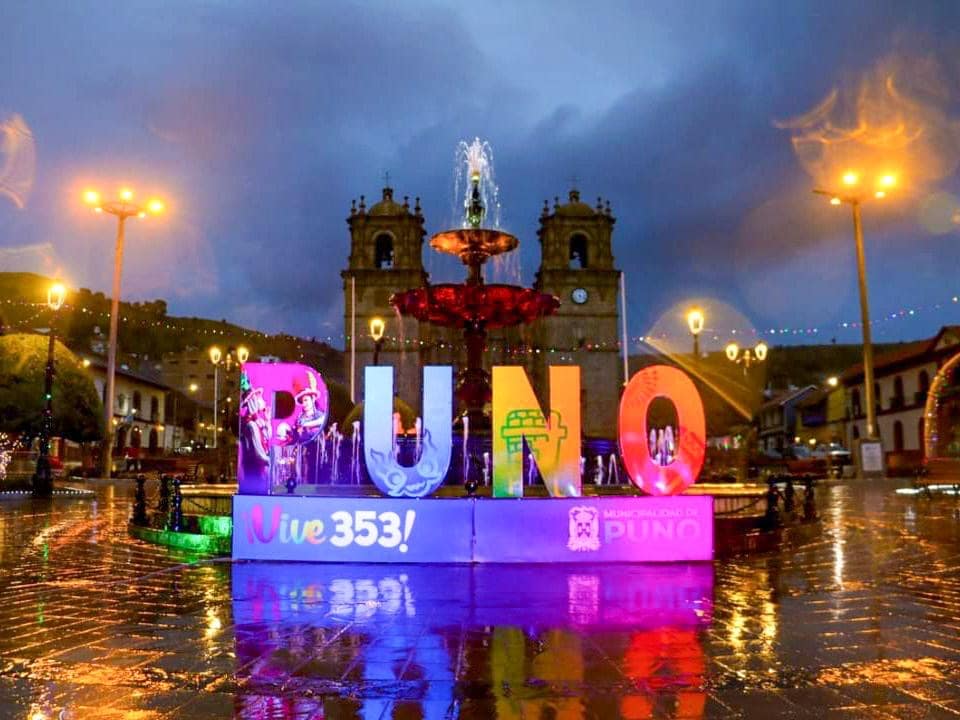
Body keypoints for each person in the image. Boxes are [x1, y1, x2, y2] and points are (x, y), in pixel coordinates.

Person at [292, 369, 329, 485]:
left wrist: (306, 425)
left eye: (306, 400)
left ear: (313, 399)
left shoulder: (320, 415)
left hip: (318, 454)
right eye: (302, 401)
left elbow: (322, 420)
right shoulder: (300, 418)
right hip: (304, 455)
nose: (305, 404)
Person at [239, 385, 272, 493]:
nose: (262, 400)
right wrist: (272, 462)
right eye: (258, 397)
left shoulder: (259, 421)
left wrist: (267, 420)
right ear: (252, 402)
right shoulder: (251, 425)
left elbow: (268, 437)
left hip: (261, 468)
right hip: (255, 469)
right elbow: (259, 453)